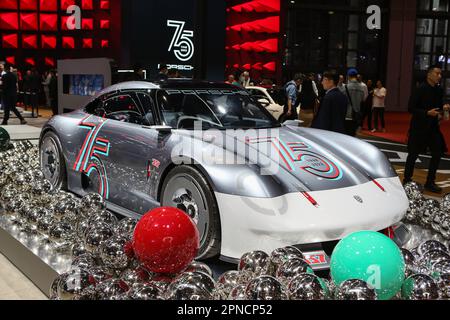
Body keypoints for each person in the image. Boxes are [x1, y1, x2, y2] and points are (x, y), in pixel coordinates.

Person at [404, 65, 450, 193]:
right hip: (419, 127)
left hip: (433, 127)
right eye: (437, 73)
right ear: (429, 74)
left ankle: (430, 182)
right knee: (413, 154)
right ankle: (407, 180)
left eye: (440, 74)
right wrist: (426, 113)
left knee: (438, 152)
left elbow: (438, 107)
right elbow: (410, 108)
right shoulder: (420, 89)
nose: (439, 76)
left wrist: (444, 108)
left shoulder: (439, 90)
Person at [340, 68, 366, 136]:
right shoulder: (362, 87)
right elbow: (363, 99)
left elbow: (341, 100)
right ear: (356, 76)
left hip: (347, 116)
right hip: (356, 115)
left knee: (346, 136)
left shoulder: (346, 87)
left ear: (348, 76)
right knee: (353, 136)